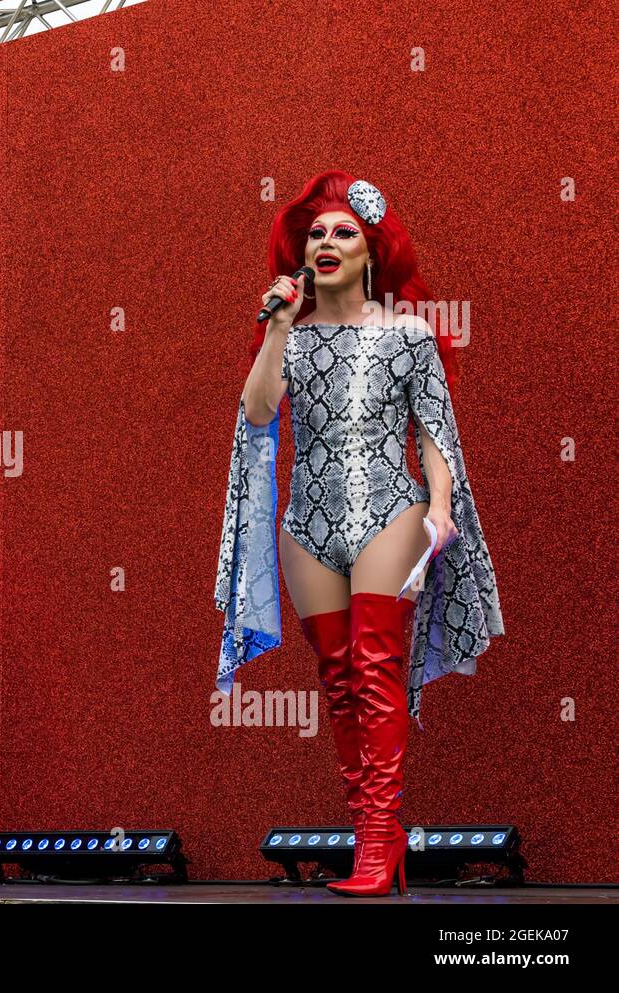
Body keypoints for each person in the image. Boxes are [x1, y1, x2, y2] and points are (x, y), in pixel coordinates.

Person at [214, 171, 503, 896]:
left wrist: (440, 507)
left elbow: (436, 432)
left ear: (371, 250)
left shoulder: (408, 336)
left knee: (376, 669)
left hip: (389, 509)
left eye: (344, 231)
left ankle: (380, 839)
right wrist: (277, 325)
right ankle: (373, 833)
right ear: (301, 251)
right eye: (316, 233)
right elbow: (255, 415)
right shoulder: (292, 337)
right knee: (339, 682)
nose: (328, 242)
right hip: (307, 523)